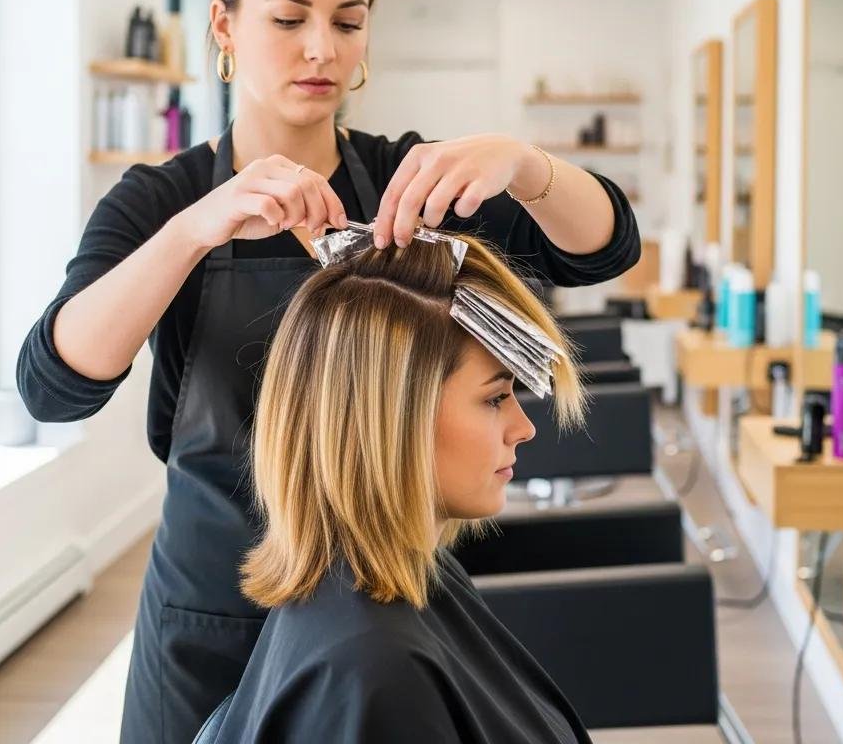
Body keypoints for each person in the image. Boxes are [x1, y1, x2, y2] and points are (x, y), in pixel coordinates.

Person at [16, 0, 640, 744]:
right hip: (212, 612)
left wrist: (526, 165)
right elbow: (54, 387)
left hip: (377, 608)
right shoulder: (162, 202)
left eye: (349, 23)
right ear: (225, 26)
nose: (322, 48)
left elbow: (601, 251)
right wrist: (200, 227)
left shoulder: (407, 186)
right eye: (288, 18)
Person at [196, 232, 591, 743]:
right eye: (494, 398)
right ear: (392, 420)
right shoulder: (374, 671)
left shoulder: (412, 576)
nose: (524, 427)